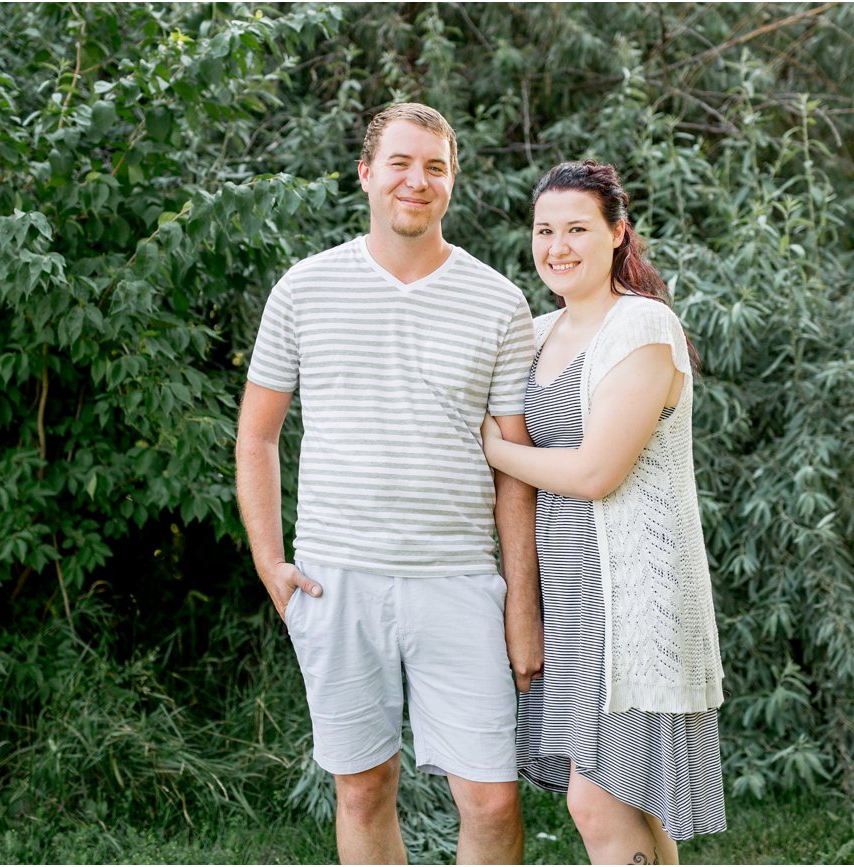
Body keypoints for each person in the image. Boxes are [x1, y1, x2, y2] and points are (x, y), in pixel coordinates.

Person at [235, 102, 543, 865]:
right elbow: (257, 435)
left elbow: (514, 468)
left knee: (493, 799)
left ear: (452, 181)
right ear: (367, 174)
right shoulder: (303, 289)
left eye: (435, 166)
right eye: (401, 163)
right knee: (365, 788)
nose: (418, 180)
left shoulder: (500, 302)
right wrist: (269, 563)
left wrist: (521, 600)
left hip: (460, 578)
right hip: (336, 576)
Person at [481, 159, 727, 864]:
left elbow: (595, 471)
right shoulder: (532, 333)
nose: (558, 246)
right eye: (544, 230)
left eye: (578, 228)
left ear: (619, 234)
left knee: (599, 797)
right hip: (569, 595)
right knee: (623, 804)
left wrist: (494, 449)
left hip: (633, 604)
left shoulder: (643, 326)